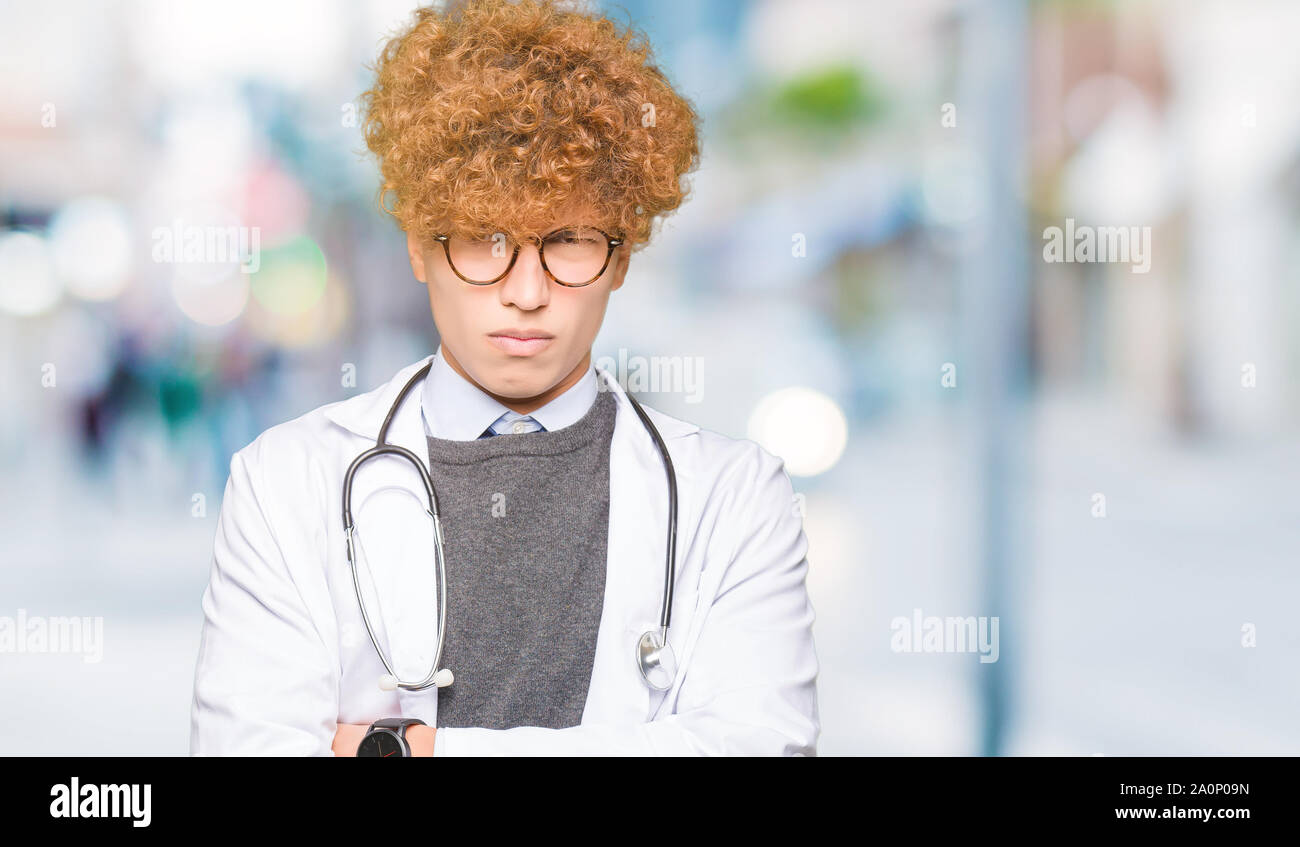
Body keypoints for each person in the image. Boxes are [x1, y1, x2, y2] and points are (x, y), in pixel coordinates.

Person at [189, 0, 819, 756]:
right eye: (488, 242)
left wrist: (404, 750)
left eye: (570, 241)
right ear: (421, 245)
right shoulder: (284, 483)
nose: (527, 290)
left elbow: (762, 747)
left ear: (620, 257)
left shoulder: (738, 498)